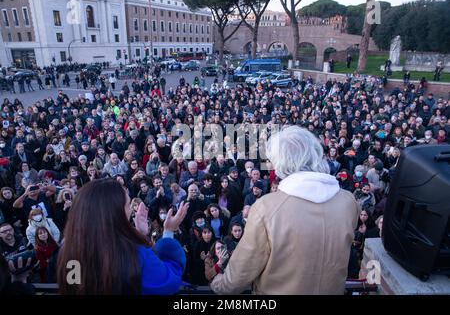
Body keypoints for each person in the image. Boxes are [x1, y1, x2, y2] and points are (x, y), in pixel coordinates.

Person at [210, 126, 359, 294]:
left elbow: (242, 271)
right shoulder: (348, 201)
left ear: (280, 162)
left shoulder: (266, 208)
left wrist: (218, 284)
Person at [57, 178, 189, 295]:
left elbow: (73, 285)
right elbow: (168, 280)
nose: (131, 209)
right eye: (128, 204)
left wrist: (139, 235)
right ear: (114, 213)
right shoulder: (134, 254)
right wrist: (168, 232)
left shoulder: (68, 249)